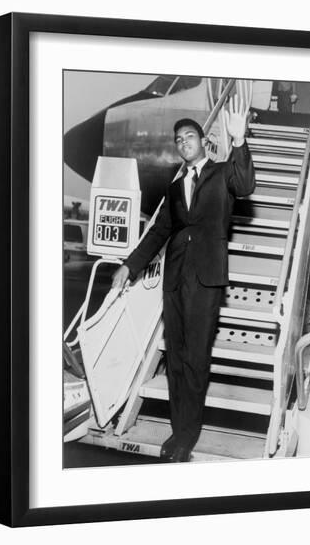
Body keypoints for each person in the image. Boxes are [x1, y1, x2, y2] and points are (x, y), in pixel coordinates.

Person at [112, 93, 255, 462]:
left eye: (189, 136)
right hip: (174, 279)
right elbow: (159, 232)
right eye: (178, 140)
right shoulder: (175, 188)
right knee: (175, 358)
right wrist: (130, 265)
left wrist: (239, 140)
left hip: (205, 278)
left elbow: (246, 186)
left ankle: (188, 434)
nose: (183, 143)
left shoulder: (223, 173)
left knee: (195, 356)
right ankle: (179, 430)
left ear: (203, 141)